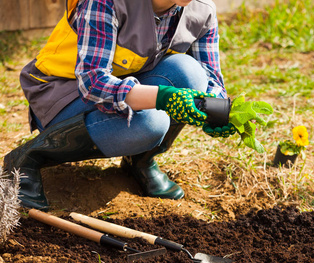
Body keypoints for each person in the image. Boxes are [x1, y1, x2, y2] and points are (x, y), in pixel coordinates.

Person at [3, 0, 236, 211]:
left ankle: (140, 160)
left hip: (129, 88)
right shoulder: (107, 2)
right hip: (64, 94)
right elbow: (93, 83)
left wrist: (215, 110)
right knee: (150, 123)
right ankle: (29, 158)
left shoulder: (202, 10)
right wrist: (162, 97)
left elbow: (211, 77)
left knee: (189, 72)